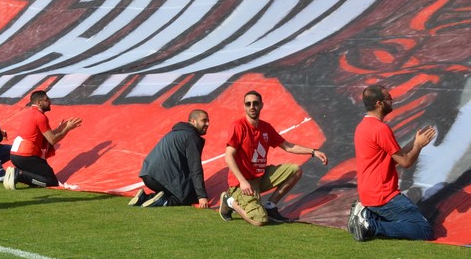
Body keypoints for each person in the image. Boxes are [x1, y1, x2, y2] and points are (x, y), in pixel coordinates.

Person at [219, 90, 328, 225]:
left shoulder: (266, 127)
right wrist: (242, 181)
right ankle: (229, 200)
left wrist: (313, 152)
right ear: (244, 107)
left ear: (261, 105)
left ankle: (270, 206)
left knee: (295, 170)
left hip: (260, 177)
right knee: (259, 221)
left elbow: (288, 146)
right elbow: (228, 156)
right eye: (248, 104)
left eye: (255, 103)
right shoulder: (238, 126)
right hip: (242, 182)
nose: (252, 107)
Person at [347, 85, 436, 241]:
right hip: (383, 195)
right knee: (423, 230)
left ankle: (366, 215)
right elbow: (405, 161)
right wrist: (419, 146)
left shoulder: (363, 126)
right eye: (388, 97)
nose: (392, 100)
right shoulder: (380, 129)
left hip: (370, 193)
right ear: (379, 104)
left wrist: (415, 141)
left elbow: (392, 157)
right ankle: (369, 224)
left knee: (403, 221)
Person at [130, 109, 210, 208]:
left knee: (182, 190)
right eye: (204, 120)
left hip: (147, 174)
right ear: (193, 121)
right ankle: (163, 201)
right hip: (162, 177)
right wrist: (202, 196)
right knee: (190, 197)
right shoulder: (191, 137)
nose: (207, 124)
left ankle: (144, 198)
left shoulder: (175, 132)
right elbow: (195, 168)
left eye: (208, 121)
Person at [4, 90, 82, 189]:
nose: (50, 102)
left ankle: (18, 174)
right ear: (39, 103)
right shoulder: (40, 117)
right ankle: (19, 174)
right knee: (51, 181)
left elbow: (45, 135)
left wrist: (59, 129)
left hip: (16, 155)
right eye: (47, 99)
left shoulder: (30, 113)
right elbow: (52, 140)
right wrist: (67, 128)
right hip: (26, 155)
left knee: (39, 178)